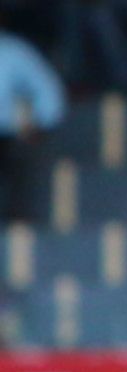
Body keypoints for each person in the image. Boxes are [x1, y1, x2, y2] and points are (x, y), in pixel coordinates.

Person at [0, 13, 65, 222]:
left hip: (9, 134)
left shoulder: (14, 50)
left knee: (23, 154)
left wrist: (37, 124)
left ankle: (20, 221)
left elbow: (49, 93)